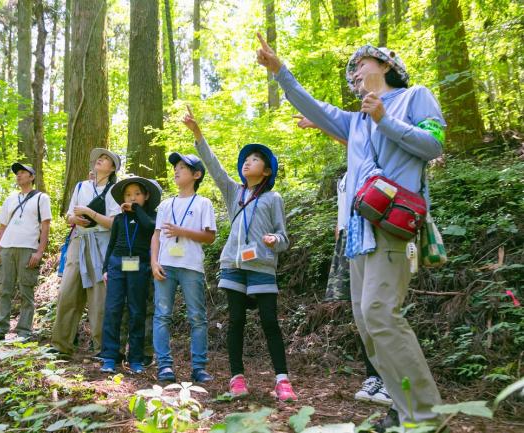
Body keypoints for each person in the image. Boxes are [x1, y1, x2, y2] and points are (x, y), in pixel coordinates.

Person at [258, 35, 445, 429]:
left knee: (380, 314)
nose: (355, 71)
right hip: (358, 231)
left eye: (362, 63)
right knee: (367, 322)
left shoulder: (415, 97)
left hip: (392, 224)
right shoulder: (356, 119)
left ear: (387, 66)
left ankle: (426, 416)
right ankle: (403, 409)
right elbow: (314, 105)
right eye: (353, 69)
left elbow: (432, 145)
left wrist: (385, 120)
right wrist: (280, 73)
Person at [182, 107, 298, 402]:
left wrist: (274, 239)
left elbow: (284, 238)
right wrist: (198, 135)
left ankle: (282, 380)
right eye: (246, 159)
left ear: (267, 170)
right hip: (232, 264)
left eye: (255, 159)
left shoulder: (273, 198)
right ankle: (236, 378)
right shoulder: (235, 193)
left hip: (261, 266)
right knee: (235, 321)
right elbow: (216, 167)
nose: (248, 162)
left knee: (270, 322)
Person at [295, 116, 392, 406]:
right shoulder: (347, 175)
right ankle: (373, 375)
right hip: (348, 240)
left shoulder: (373, 166)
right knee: (361, 311)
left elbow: (354, 140)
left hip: (374, 237)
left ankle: (393, 379)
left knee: (379, 308)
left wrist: (321, 124)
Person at [151, 152, 216, 383]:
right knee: (162, 316)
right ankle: (164, 366)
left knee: (197, 317)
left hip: (191, 266)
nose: (176, 171)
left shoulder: (203, 203)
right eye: (175, 167)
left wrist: (182, 232)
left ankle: (199, 367)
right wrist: (154, 261)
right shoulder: (166, 204)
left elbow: (210, 237)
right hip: (165, 266)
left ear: (196, 175)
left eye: (182, 167)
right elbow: (156, 236)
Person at [50, 148, 121, 357]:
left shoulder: (115, 190)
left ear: (113, 168)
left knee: (99, 295)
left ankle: (103, 348)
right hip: (78, 240)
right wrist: (74, 219)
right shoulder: (81, 186)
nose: (101, 160)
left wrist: (90, 213)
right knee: (68, 291)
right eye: (99, 157)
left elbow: (114, 223)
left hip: (101, 243)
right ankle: (60, 345)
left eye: (107, 159)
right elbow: (69, 215)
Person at [99, 177, 160, 374]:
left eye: (137, 194)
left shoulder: (151, 217)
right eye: (128, 195)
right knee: (113, 309)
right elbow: (111, 244)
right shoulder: (118, 219)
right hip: (117, 264)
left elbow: (149, 227)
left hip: (140, 266)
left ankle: (135, 358)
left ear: (146, 196)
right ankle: (109, 357)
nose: (132, 198)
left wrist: (137, 210)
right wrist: (105, 268)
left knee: (137, 311)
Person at [0, 163, 52, 341]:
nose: (19, 176)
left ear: (32, 177)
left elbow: (45, 226)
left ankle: (24, 331)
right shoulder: (10, 199)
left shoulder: (41, 198)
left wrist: (39, 252)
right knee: (4, 289)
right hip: (8, 248)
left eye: (23, 173)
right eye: (17, 173)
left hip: (28, 248)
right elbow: (2, 226)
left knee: (26, 290)